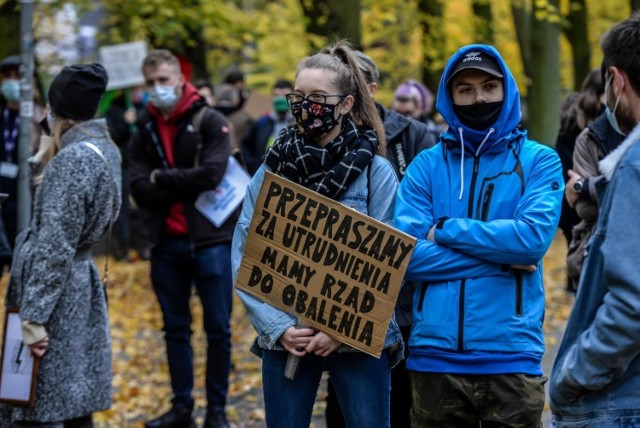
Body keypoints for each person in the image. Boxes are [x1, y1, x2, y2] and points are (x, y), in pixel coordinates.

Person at [232, 40, 403, 427]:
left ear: (345, 104)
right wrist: (278, 328)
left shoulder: (376, 174)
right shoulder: (272, 171)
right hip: (287, 333)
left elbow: (389, 263)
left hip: (357, 338)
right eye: (299, 96)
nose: (306, 106)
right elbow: (246, 250)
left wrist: (341, 330)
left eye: (319, 97)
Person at [393, 44, 563, 426]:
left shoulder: (539, 160)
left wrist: (446, 229)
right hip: (433, 358)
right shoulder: (426, 165)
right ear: (449, 97)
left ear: (507, 91)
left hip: (511, 356)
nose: (478, 97)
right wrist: (504, 257)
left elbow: (532, 240)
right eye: (465, 89)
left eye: (489, 86)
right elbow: (405, 256)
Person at [1, 63, 121, 427]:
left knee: (43, 402)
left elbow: (54, 246)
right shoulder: (102, 149)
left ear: (57, 108)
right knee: (72, 399)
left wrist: (33, 319)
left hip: (57, 295)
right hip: (77, 285)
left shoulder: (72, 161)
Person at [324, 50, 434, 428]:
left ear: (368, 90)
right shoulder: (315, 143)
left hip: (402, 302)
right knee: (342, 406)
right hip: (337, 301)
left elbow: (426, 213)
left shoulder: (414, 135)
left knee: (399, 403)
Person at [129, 49, 235, 428]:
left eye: (164, 80)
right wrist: (176, 181)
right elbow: (139, 187)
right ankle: (182, 407)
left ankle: (217, 411)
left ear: (179, 78)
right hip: (167, 244)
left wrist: (162, 178)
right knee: (175, 329)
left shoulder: (210, 119)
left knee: (218, 329)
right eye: (152, 82)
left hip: (210, 241)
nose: (159, 89)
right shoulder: (144, 127)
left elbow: (211, 175)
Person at [550, 12, 640, 426]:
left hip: (619, 397)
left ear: (617, 81)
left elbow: (631, 303)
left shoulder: (634, 164)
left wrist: (573, 374)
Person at [553, 69, 605, 291]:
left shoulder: (574, 125)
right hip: (576, 205)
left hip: (575, 203)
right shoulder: (584, 129)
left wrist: (582, 184)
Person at [0, 55, 44, 275]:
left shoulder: (41, 119)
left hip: (27, 200)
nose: (12, 82)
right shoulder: (2, 115)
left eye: (18, 77)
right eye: (7, 77)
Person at [105, 87, 147, 262]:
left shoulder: (144, 109)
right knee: (121, 206)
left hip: (140, 164)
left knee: (144, 203)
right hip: (121, 163)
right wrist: (123, 122)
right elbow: (110, 136)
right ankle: (123, 247)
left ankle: (146, 244)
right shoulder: (113, 110)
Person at [240, 78, 293, 175]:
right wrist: (253, 166)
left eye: (285, 96)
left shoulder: (298, 124)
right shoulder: (262, 122)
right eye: (276, 95)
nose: (280, 99)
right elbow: (246, 144)